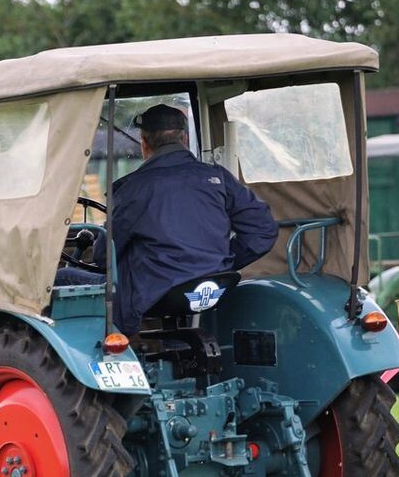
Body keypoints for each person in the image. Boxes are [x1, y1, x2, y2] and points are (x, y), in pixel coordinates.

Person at [59, 104, 277, 335]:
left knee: (62, 278)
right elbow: (263, 231)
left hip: (154, 293)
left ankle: (98, 347)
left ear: (144, 144)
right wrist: (223, 262)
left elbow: (104, 257)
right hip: (213, 286)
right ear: (184, 139)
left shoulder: (133, 189)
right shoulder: (218, 178)